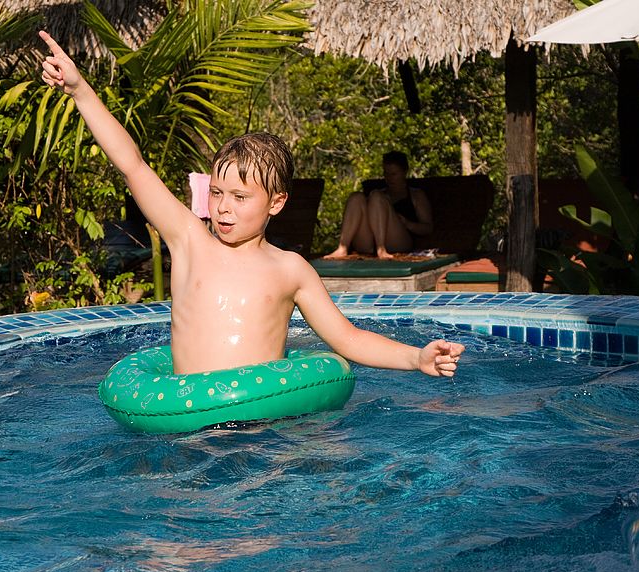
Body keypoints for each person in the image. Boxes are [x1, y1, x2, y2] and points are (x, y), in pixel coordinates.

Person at [39, 31, 463, 377]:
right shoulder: (189, 240)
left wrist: (415, 357)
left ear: (276, 202)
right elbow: (132, 165)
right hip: (186, 421)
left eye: (241, 198)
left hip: (261, 431)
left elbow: (347, 338)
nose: (223, 208)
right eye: (218, 193)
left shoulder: (290, 269)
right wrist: (79, 91)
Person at [324, 150, 433, 259]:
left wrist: (407, 223)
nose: (389, 178)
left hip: (399, 240)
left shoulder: (416, 195)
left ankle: (381, 248)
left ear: (404, 172)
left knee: (377, 197)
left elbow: (428, 228)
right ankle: (342, 247)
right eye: (386, 174)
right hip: (369, 243)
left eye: (394, 174)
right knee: (356, 197)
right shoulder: (380, 194)